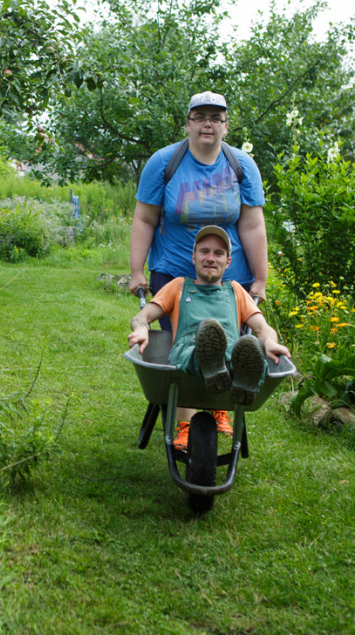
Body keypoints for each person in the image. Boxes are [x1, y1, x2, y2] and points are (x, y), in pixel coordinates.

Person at [128, 226, 290, 451]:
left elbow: (263, 328)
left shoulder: (235, 291)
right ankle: (218, 368)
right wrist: (142, 329)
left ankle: (238, 376)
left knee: (247, 348)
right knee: (199, 344)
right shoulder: (178, 286)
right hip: (188, 350)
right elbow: (142, 317)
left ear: (228, 261)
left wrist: (271, 342)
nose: (211, 258)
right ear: (194, 257)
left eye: (218, 253)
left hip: (231, 353)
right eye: (204, 251)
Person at [128, 91, 269, 329]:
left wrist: (260, 280)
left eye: (216, 118)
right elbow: (144, 220)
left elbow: (252, 226)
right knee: (180, 349)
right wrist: (136, 271)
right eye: (199, 117)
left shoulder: (242, 166)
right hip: (175, 279)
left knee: (230, 351)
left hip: (230, 282)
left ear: (226, 126)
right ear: (188, 124)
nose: (207, 124)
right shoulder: (163, 162)